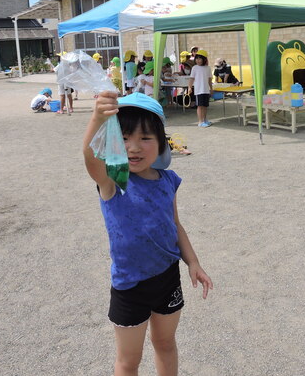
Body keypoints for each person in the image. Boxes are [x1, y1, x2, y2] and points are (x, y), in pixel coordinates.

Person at [82, 91, 213, 376]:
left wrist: (193, 262)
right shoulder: (113, 181)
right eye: (124, 138)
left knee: (165, 343)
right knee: (129, 360)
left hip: (167, 278)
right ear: (111, 144)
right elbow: (91, 160)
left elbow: (175, 225)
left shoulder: (167, 180)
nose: (134, 147)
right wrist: (97, 119)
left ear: (161, 143)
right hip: (129, 287)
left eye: (145, 138)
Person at [188, 49, 213, 127]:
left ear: (204, 59)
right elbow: (191, 78)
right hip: (199, 90)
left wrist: (211, 89)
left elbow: (209, 79)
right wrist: (189, 87)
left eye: (200, 58)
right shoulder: (195, 68)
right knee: (199, 106)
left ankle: (205, 120)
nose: (198, 60)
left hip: (206, 90)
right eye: (197, 58)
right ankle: (200, 121)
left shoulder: (208, 68)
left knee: (205, 106)